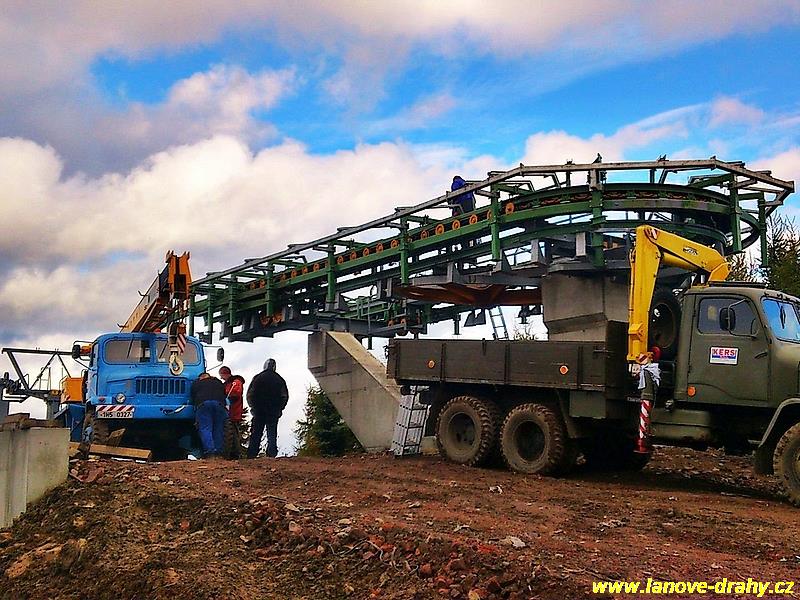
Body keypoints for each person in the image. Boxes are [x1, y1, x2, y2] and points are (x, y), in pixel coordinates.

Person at [246, 358, 288, 458]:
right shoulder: (279, 379)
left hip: (259, 410)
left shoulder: (257, 378)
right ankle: (271, 454)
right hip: (273, 410)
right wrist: (280, 408)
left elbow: (250, 394)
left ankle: (252, 454)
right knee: (272, 433)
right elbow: (284, 396)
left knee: (256, 433)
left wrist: (253, 407)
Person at [191, 372, 228, 458]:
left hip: (203, 404)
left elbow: (193, 395)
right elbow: (224, 392)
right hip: (219, 404)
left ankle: (210, 452)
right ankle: (218, 452)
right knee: (218, 428)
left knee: (205, 428)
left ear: (201, 377)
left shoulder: (197, 383)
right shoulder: (218, 382)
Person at [220, 366, 246, 458]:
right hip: (231, 410)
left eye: (222, 375)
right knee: (232, 431)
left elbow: (235, 393)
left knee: (234, 431)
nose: (221, 378)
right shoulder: (231, 383)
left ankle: (236, 453)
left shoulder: (235, 382)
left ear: (225, 374)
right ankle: (234, 453)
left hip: (233, 410)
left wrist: (227, 397)